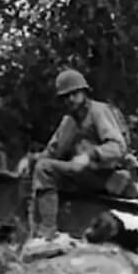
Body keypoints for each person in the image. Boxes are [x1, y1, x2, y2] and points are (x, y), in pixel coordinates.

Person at [20, 69, 127, 251]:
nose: (70, 99)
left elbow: (118, 147)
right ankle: (33, 230)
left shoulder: (98, 112)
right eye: (65, 96)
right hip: (82, 175)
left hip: (104, 174)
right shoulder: (68, 122)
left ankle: (49, 233)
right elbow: (51, 152)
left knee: (45, 168)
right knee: (41, 167)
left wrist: (91, 155)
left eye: (74, 94)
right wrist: (30, 160)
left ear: (84, 93)